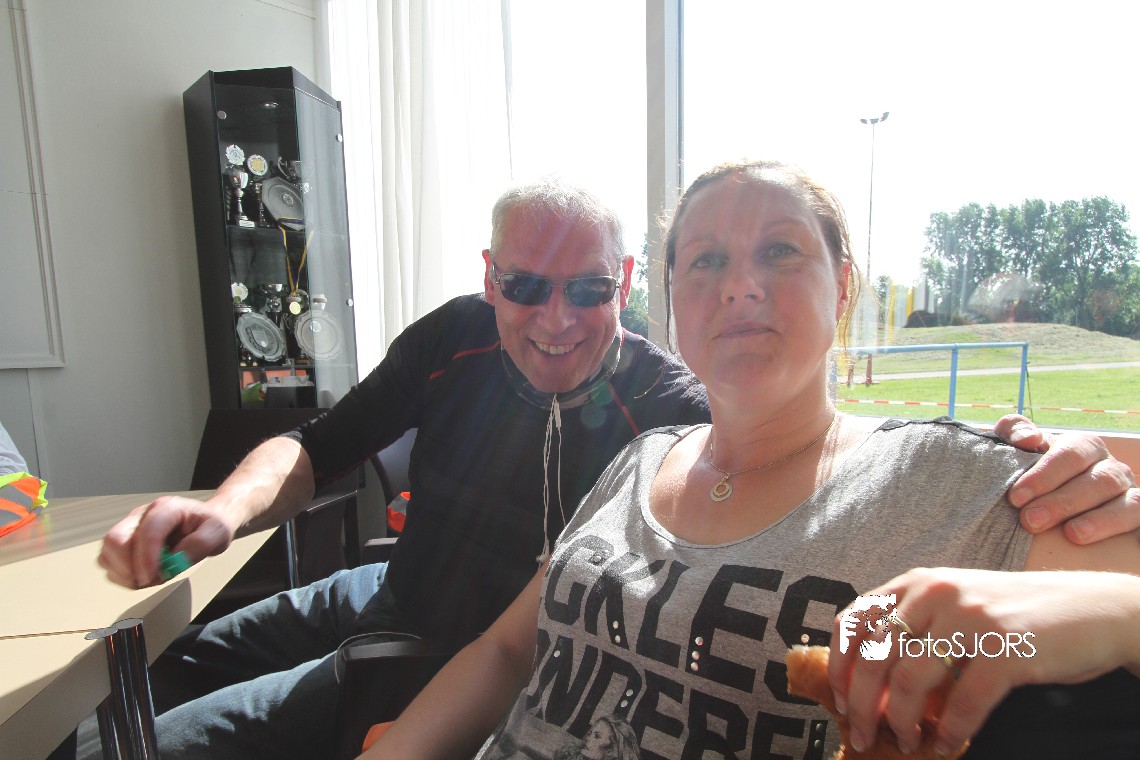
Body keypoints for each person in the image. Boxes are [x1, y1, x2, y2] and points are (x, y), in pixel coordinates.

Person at [99, 178, 1128, 759]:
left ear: (630, 287)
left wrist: (1066, 470)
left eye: (588, 290)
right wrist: (222, 511)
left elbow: (820, 449)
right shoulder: (599, 431)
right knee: (159, 663)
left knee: (161, 740)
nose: (554, 320)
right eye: (526, 285)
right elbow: (323, 446)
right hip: (390, 586)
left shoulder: (674, 408)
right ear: (490, 279)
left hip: (424, 646)